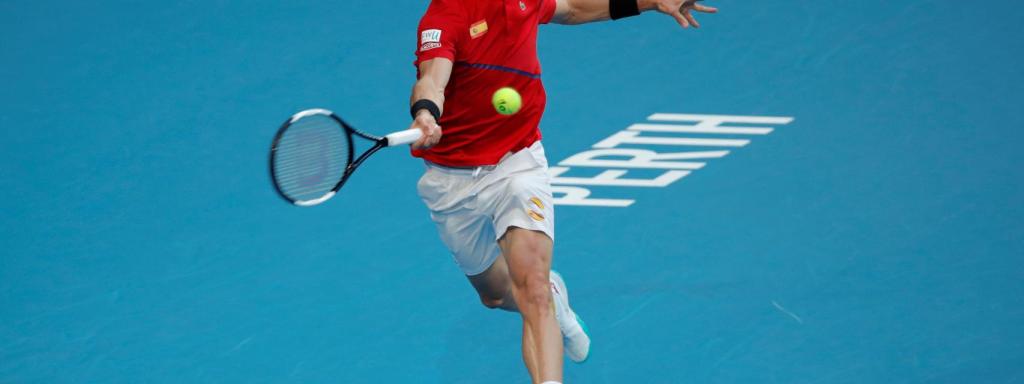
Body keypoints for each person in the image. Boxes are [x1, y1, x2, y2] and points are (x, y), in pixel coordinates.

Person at [407, 0, 716, 382]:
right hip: (452, 180)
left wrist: (650, 1)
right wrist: (426, 113)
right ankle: (556, 296)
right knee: (495, 295)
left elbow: (572, 8)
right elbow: (432, 79)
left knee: (533, 291)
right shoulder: (445, 16)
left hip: (517, 161)